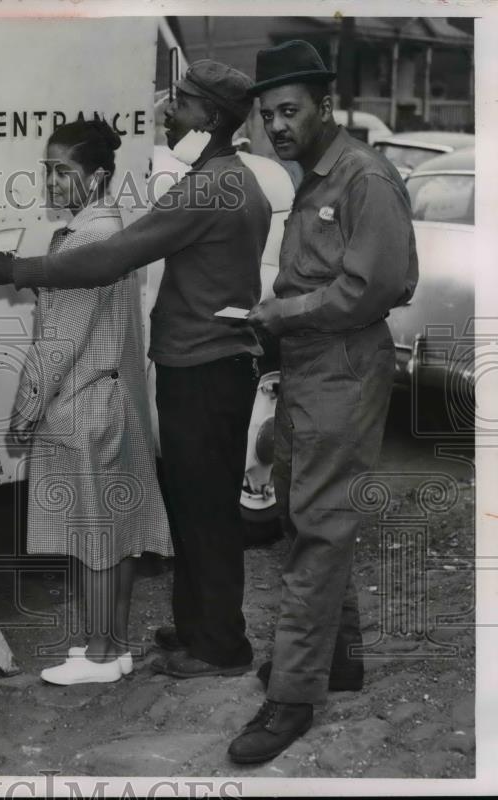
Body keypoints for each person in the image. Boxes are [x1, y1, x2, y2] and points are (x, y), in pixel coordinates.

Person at [0, 61, 272, 680]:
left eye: (180, 104)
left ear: (209, 117)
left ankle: (218, 646)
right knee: (187, 508)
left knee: (200, 513)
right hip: (203, 362)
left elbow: (112, 259)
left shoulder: (212, 186)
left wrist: (17, 270)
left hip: (205, 365)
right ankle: (198, 630)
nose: (166, 112)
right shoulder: (230, 178)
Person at [226, 40, 418, 764]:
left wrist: (287, 313)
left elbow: (379, 286)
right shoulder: (313, 175)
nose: (276, 125)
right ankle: (338, 659)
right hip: (311, 364)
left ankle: (293, 698)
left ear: (323, 105)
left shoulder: (362, 177)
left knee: (316, 528)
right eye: (267, 114)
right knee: (313, 511)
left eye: (289, 110)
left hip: (342, 363)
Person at [0, 119, 173, 685]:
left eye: (63, 172)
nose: (50, 182)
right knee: (113, 535)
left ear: (96, 177)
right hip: (112, 398)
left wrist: (23, 413)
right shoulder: (111, 228)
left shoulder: (87, 240)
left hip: (78, 404)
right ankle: (111, 647)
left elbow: (57, 342)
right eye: (46, 170)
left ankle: (98, 656)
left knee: (89, 539)